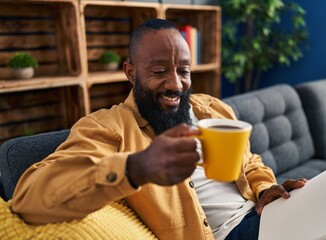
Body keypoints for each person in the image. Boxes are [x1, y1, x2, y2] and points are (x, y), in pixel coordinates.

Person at [10, 19, 306, 240]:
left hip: (263, 213)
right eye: (160, 71)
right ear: (131, 72)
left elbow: (250, 161)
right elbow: (29, 197)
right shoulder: (109, 127)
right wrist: (137, 167)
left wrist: (266, 188)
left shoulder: (213, 109)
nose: (176, 84)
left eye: (184, 70)